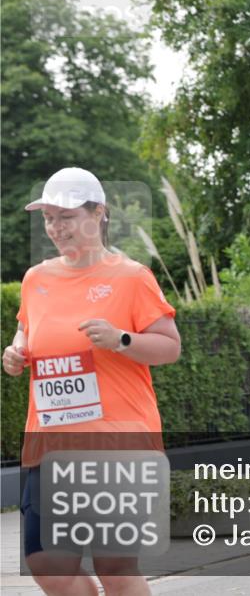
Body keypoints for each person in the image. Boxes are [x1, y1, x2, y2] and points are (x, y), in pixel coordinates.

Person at [3, 167, 181, 596]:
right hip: (50, 445)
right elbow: (27, 330)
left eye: (64, 216)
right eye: (48, 218)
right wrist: (15, 351)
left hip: (117, 444)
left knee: (115, 566)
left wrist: (121, 339)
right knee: (47, 564)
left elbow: (169, 346)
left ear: (97, 213)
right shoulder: (36, 279)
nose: (55, 227)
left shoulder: (131, 276)